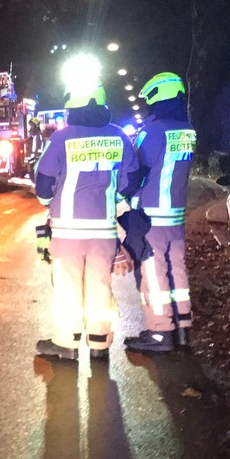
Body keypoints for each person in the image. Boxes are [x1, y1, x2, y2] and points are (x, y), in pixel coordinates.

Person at [34, 84, 142, 361]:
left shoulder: (61, 138)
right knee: (99, 285)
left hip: (67, 230)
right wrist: (112, 197)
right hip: (103, 229)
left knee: (68, 286)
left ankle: (67, 344)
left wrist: (48, 202)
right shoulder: (118, 136)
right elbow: (130, 180)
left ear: (73, 110)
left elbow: (44, 184)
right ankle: (99, 344)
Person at [125, 72, 196, 352]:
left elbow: (135, 172)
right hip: (175, 215)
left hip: (151, 214)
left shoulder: (152, 131)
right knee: (176, 269)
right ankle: (182, 326)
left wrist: (126, 194)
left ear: (158, 96)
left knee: (153, 272)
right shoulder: (187, 130)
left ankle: (160, 331)